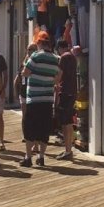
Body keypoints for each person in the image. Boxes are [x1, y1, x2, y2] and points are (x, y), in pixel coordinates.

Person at [20, 31, 61, 168]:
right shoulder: (57, 59)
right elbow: (58, 77)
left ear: (39, 43)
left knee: (29, 128)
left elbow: (25, 72)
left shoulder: (35, 56)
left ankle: (28, 157)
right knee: (44, 129)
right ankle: (41, 157)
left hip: (34, 99)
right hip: (48, 99)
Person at [55, 39, 77, 160]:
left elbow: (59, 75)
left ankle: (68, 150)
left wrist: (54, 84)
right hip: (72, 92)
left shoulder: (63, 57)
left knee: (65, 122)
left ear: (59, 48)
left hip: (65, 92)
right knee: (68, 121)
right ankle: (69, 148)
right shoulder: (73, 57)